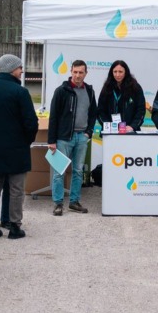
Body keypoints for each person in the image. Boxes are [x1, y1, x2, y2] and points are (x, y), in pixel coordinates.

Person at [0, 54, 39, 240]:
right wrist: (25, 140)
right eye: (20, 68)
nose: (21, 71)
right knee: (16, 189)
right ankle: (14, 226)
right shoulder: (20, 92)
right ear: (12, 69)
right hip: (17, 149)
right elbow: (31, 122)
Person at [47, 59, 98, 215]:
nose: (77, 75)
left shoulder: (89, 91)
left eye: (80, 72)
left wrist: (88, 132)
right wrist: (52, 140)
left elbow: (93, 113)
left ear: (86, 73)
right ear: (71, 72)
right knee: (59, 172)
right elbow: (53, 116)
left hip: (82, 137)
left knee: (77, 171)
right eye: (75, 72)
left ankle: (74, 202)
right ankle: (58, 203)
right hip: (64, 138)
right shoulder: (61, 90)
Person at [97, 61, 146, 133]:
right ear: (111, 72)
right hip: (110, 132)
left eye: (120, 72)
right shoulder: (107, 87)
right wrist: (107, 125)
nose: (117, 74)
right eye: (115, 72)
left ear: (126, 72)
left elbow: (140, 110)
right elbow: (100, 110)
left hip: (130, 132)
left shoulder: (135, 88)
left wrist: (132, 126)